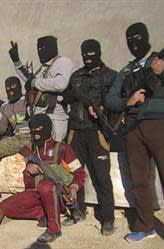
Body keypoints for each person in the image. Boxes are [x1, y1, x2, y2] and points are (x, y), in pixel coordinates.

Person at [105, 22, 164, 249]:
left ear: (146, 37)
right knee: (139, 181)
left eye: (138, 38)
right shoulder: (126, 71)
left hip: (161, 126)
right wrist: (129, 101)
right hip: (133, 129)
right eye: (129, 39)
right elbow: (110, 100)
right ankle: (145, 226)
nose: (134, 43)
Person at [0, 114, 85, 244]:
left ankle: (54, 229)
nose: (35, 133)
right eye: (32, 130)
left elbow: (80, 174)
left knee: (45, 186)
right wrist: (28, 168)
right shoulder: (32, 149)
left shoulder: (62, 148)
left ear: (47, 128)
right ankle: (43, 214)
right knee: (6, 207)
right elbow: (29, 185)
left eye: (39, 129)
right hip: (37, 194)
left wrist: (74, 188)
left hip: (59, 196)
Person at [61, 39, 117, 235]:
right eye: (84, 53)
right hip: (76, 131)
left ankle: (108, 218)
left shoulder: (110, 76)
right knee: (74, 173)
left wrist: (102, 107)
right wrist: (73, 96)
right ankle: (78, 211)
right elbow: (65, 97)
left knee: (101, 176)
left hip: (97, 132)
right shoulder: (76, 77)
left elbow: (116, 102)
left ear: (98, 52)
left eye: (91, 52)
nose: (87, 56)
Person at [9, 35, 73, 142]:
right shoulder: (44, 67)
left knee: (54, 153)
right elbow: (29, 79)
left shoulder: (63, 62)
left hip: (55, 118)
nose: (40, 52)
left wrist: (34, 83)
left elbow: (60, 84)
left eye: (43, 48)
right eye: (38, 49)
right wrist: (16, 61)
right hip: (38, 119)